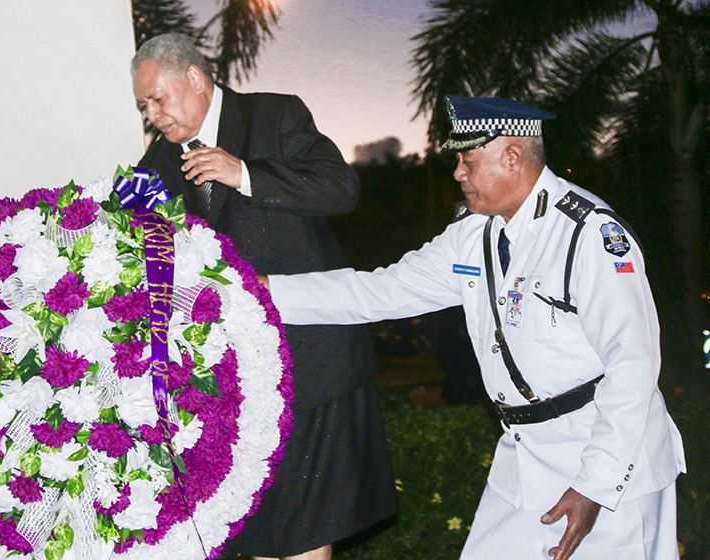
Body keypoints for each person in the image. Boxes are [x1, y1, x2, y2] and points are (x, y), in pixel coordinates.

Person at [263, 96, 686, 560]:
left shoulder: (588, 234)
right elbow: (378, 292)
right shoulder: (473, 235)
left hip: (606, 458)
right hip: (524, 458)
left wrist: (596, 485)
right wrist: (261, 291)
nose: (458, 173)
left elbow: (633, 365)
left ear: (512, 157)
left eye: (467, 160)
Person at [131, 33, 398, 560]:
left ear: (194, 77)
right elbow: (133, 251)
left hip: (313, 364)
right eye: (143, 105)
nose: (152, 114)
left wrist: (246, 174)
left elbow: (341, 189)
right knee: (256, 537)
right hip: (234, 383)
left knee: (304, 537)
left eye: (158, 98)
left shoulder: (275, 115)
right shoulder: (151, 166)